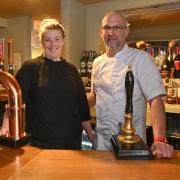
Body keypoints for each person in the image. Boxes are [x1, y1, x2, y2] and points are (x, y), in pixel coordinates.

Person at [88, 10, 174, 158]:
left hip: (131, 145)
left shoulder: (141, 59)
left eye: (117, 28)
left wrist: (160, 139)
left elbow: (155, 100)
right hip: (101, 144)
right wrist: (72, 109)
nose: (111, 33)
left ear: (126, 31)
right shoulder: (97, 62)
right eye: (107, 28)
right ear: (101, 32)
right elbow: (95, 94)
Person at [0, 18, 93, 149]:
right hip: (41, 145)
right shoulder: (30, 67)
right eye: (47, 39)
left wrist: (91, 136)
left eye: (57, 39)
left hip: (73, 144)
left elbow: (82, 107)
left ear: (63, 41)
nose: (52, 44)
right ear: (42, 42)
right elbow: (15, 101)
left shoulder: (72, 70)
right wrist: (5, 127)